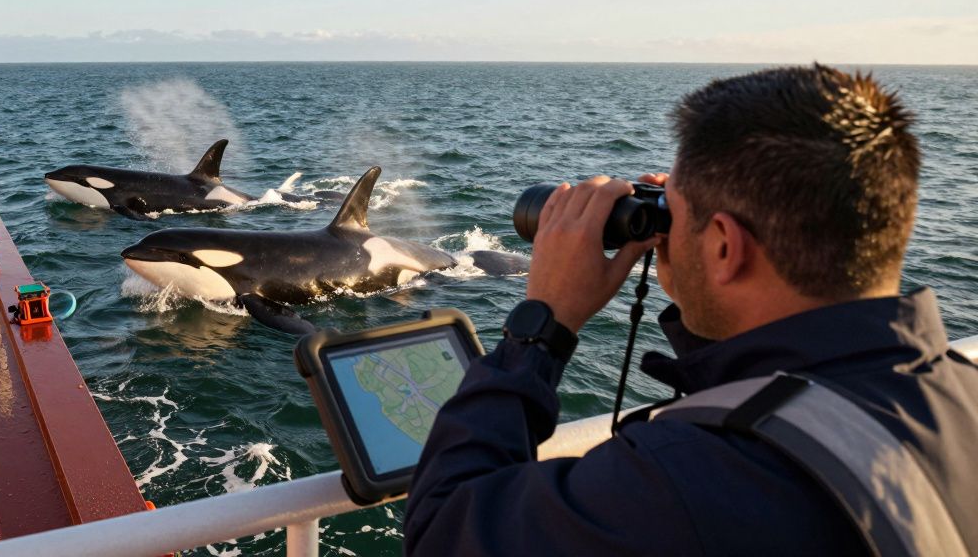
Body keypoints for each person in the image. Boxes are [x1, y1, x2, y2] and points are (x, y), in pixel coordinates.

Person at [404, 64, 978, 555]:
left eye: (673, 214)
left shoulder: (684, 482)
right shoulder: (962, 396)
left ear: (725, 246)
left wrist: (543, 322)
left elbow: (443, 531)